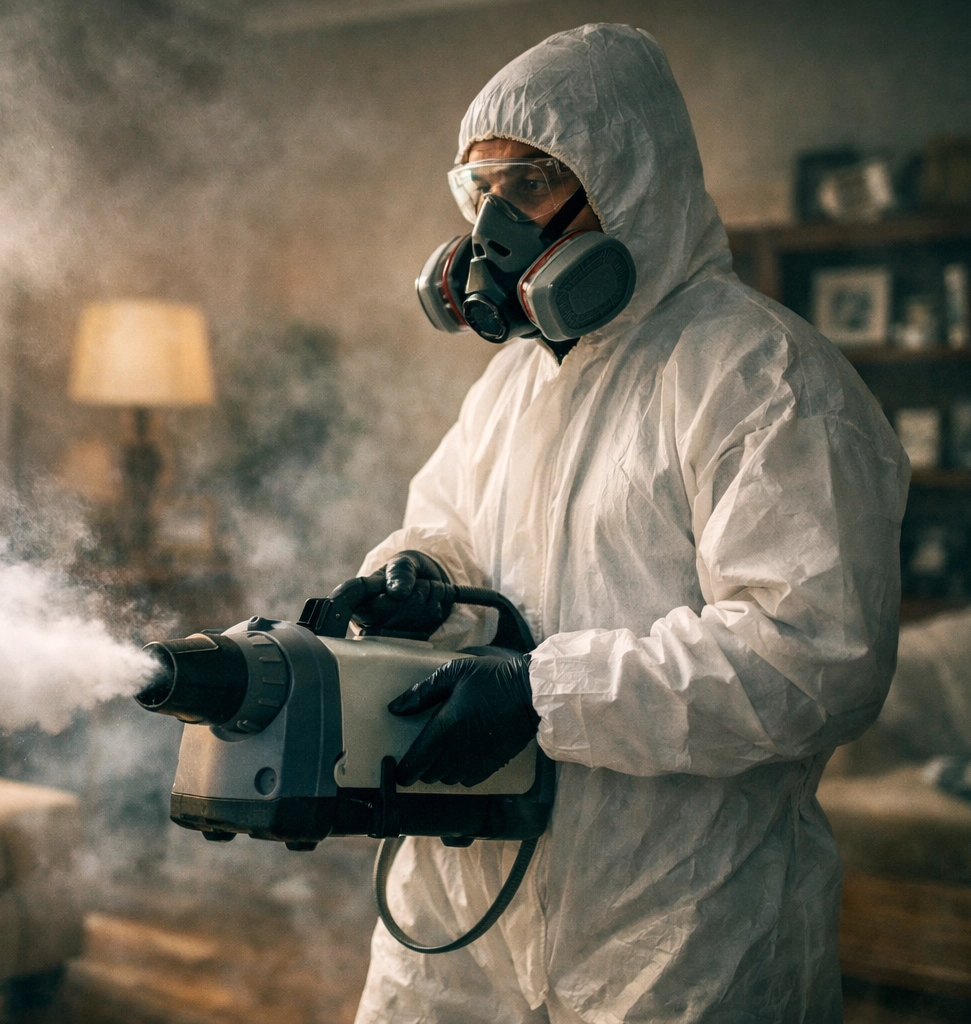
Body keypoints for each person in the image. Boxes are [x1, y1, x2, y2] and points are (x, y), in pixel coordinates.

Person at [347, 24, 910, 1024]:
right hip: (467, 902)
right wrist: (414, 575)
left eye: (526, 185)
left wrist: (539, 693)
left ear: (629, 179)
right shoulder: (512, 384)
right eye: (479, 195)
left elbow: (811, 658)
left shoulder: (760, 378)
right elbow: (446, 529)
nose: (492, 228)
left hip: (680, 930)